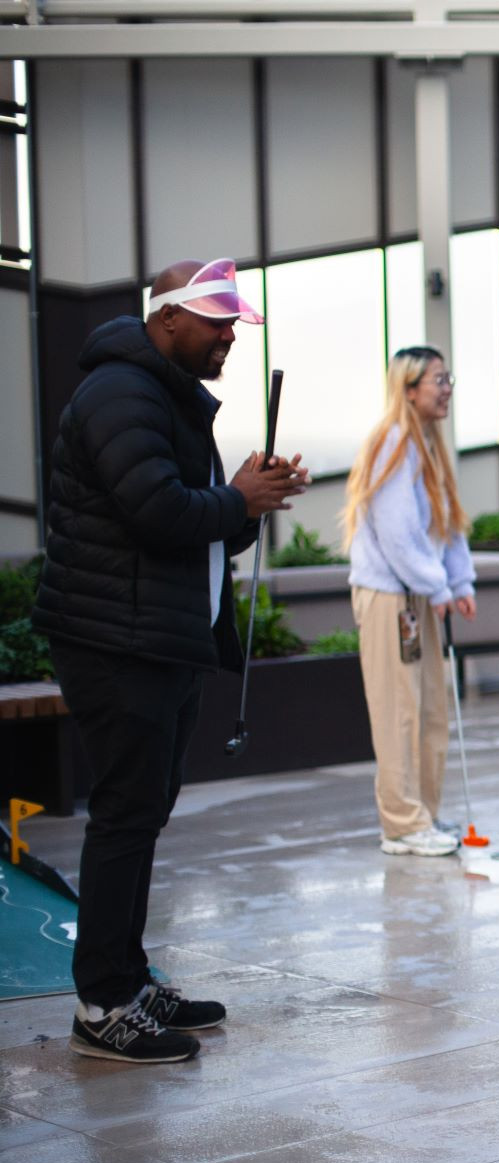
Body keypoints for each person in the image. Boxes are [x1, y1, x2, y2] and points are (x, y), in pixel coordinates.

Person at [33, 258, 308, 1063]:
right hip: (116, 639)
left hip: (157, 636)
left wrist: (249, 497)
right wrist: (236, 498)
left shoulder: (164, 394)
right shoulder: (121, 393)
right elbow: (155, 511)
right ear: (168, 319)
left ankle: (127, 976)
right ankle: (103, 1002)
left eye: (234, 324)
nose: (229, 336)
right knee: (126, 813)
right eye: (217, 322)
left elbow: (199, 523)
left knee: (143, 812)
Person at [340, 346, 476, 858]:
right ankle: (401, 824)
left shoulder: (429, 443)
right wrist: (437, 585)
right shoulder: (393, 441)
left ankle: (423, 812)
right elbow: (396, 532)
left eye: (448, 378)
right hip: (390, 596)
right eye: (438, 380)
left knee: (430, 708)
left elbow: (447, 523)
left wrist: (459, 582)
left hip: (418, 593)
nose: (447, 389)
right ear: (410, 387)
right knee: (399, 711)